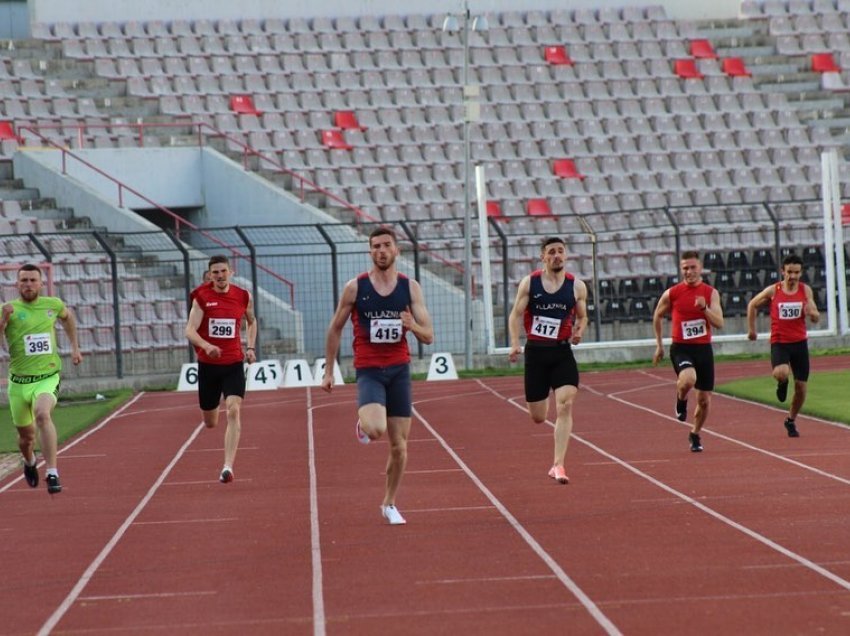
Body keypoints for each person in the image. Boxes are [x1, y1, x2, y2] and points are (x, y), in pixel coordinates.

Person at [321, 227, 434, 525]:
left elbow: (429, 336)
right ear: (370, 252)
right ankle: (363, 423)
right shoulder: (355, 288)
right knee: (375, 430)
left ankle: (389, 503)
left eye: (386, 246)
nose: (381, 251)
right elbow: (335, 328)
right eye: (375, 247)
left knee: (400, 446)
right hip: (369, 370)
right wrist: (329, 371)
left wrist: (412, 326)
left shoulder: (410, 288)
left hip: (399, 370)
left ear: (397, 251)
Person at [508, 237, 588, 485]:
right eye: (551, 252)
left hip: (562, 352)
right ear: (542, 257)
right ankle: (555, 459)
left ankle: (558, 465)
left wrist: (579, 331)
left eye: (560, 252)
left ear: (566, 255)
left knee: (565, 405)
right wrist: (514, 342)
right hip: (536, 353)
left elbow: (583, 317)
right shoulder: (530, 283)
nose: (557, 256)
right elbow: (515, 315)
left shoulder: (577, 287)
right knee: (539, 416)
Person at [1, 263, 82, 494]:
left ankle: (52, 472)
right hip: (18, 383)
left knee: (43, 414)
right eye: (23, 280)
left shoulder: (53, 305)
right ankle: (29, 462)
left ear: (40, 283)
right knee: (26, 439)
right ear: (16, 284)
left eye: (32, 280)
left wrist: (75, 347)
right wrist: (4, 321)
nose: (28, 285)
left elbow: (68, 318)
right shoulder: (8, 308)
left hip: (47, 377)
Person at [185, 255, 257, 483]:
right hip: (208, 366)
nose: (219, 276)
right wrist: (207, 346)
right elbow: (189, 330)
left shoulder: (243, 296)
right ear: (210, 275)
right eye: (215, 272)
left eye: (223, 271)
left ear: (230, 272)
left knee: (234, 410)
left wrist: (251, 347)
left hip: (233, 363)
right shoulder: (201, 297)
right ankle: (210, 415)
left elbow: (252, 321)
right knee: (211, 422)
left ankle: (228, 466)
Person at [652, 251, 724, 452]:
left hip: (703, 350)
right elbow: (657, 316)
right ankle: (681, 399)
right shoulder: (673, 293)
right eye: (685, 268)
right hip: (681, 348)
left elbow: (719, 323)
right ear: (681, 269)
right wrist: (659, 345)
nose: (689, 272)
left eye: (693, 267)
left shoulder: (711, 293)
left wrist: (704, 310)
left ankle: (695, 434)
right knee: (688, 379)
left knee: (704, 400)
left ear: (700, 268)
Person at [746, 253, 820, 437]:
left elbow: (815, 316)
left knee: (802, 388)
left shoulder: (805, 291)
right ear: (782, 271)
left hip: (800, 343)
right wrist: (752, 330)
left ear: (801, 273)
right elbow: (752, 305)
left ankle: (791, 420)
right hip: (780, 342)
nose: (793, 276)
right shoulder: (774, 290)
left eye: (796, 272)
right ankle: (782, 382)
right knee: (781, 372)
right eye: (789, 272)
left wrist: (812, 314)